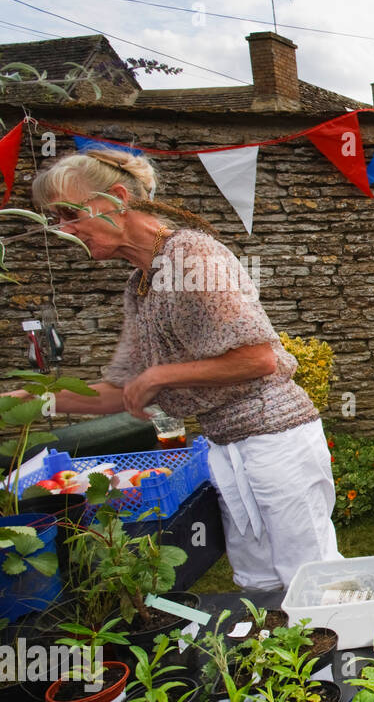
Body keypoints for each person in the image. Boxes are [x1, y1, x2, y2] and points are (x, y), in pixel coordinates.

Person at [25, 149, 341, 591]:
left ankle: (345, 657)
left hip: (275, 439)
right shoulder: (140, 285)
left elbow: (258, 359)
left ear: (116, 198)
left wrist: (160, 376)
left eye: (68, 214)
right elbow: (121, 391)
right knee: (259, 582)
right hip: (227, 445)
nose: (63, 230)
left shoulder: (189, 254)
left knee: (312, 580)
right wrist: (31, 402)